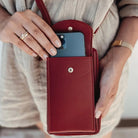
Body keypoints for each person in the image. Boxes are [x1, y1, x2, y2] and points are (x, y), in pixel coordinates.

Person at [0, 0, 137, 138]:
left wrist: (117, 58)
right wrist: (3, 21)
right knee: (49, 125)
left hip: (97, 63)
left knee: (90, 128)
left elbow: (134, 6)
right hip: (21, 59)